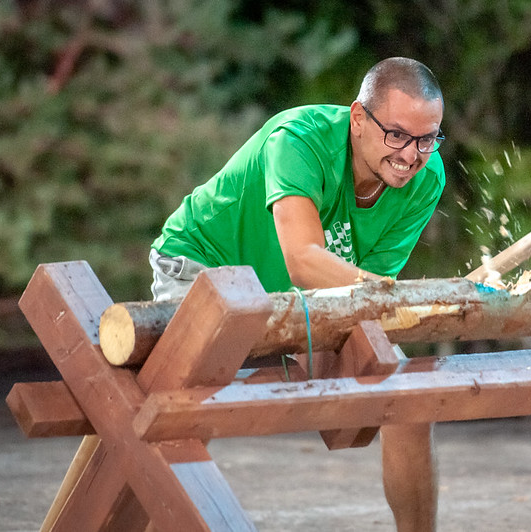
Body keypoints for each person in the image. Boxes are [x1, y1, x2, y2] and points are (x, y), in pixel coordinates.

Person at [150, 57, 444, 532]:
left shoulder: (426, 180)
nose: (412, 155)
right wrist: (392, 297)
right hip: (204, 271)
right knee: (174, 415)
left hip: (301, 300)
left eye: (427, 139)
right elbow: (304, 259)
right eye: (397, 135)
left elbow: (361, 284)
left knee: (408, 398)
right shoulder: (299, 139)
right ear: (358, 119)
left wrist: (385, 301)